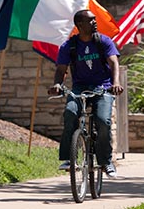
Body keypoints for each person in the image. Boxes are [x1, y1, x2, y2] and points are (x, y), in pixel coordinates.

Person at [48, 9, 124, 178]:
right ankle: (69, 158)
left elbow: (114, 63)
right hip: (79, 87)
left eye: (95, 19)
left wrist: (115, 83)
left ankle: (106, 161)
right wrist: (57, 84)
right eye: (91, 20)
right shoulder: (69, 46)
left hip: (102, 87)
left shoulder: (103, 41)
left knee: (103, 121)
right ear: (79, 25)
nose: (95, 22)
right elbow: (61, 70)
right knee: (70, 113)